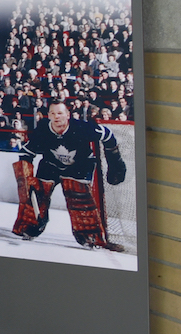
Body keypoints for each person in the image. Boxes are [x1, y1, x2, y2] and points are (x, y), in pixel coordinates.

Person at [12, 100, 126, 250]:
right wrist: (26, 179)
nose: (57, 117)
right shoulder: (43, 129)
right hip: (51, 165)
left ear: (68, 115)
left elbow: (107, 135)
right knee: (37, 191)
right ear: (49, 116)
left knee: (79, 198)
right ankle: (32, 226)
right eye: (53, 113)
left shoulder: (82, 128)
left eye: (60, 113)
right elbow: (27, 152)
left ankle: (89, 236)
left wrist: (115, 162)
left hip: (80, 165)